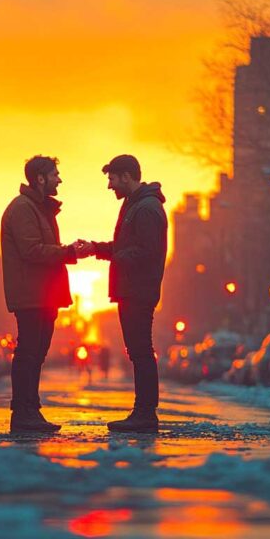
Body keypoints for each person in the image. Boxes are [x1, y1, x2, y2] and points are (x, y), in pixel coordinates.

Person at [0, 155, 87, 432]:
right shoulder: (24, 209)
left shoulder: (38, 208)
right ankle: (23, 412)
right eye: (54, 174)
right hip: (31, 295)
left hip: (42, 294)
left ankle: (31, 411)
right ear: (40, 178)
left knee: (36, 353)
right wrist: (68, 252)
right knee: (28, 352)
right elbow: (31, 250)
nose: (59, 179)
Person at [81, 154, 167, 433]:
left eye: (112, 179)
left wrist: (114, 256)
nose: (110, 186)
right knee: (138, 351)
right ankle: (142, 412)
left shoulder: (145, 209)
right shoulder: (136, 206)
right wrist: (96, 248)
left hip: (138, 290)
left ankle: (145, 414)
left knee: (141, 351)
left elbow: (146, 251)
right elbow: (127, 246)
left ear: (127, 177)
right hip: (132, 289)